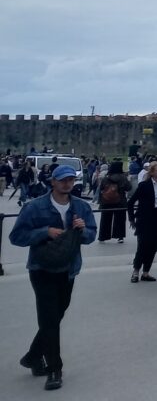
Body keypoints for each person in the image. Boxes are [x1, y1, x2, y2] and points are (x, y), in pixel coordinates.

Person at [8, 165, 96, 391]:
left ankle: (33, 356)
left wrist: (82, 229)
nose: (67, 184)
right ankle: (54, 368)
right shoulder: (34, 207)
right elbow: (16, 236)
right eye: (62, 180)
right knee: (49, 319)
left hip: (68, 269)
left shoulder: (82, 207)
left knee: (55, 316)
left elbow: (90, 236)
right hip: (42, 269)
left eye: (71, 180)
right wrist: (44, 232)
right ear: (52, 182)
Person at [126, 161, 157, 283]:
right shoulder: (144, 185)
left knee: (153, 246)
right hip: (145, 218)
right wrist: (131, 218)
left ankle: (146, 272)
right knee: (142, 246)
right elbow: (130, 202)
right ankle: (135, 271)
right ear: (152, 172)